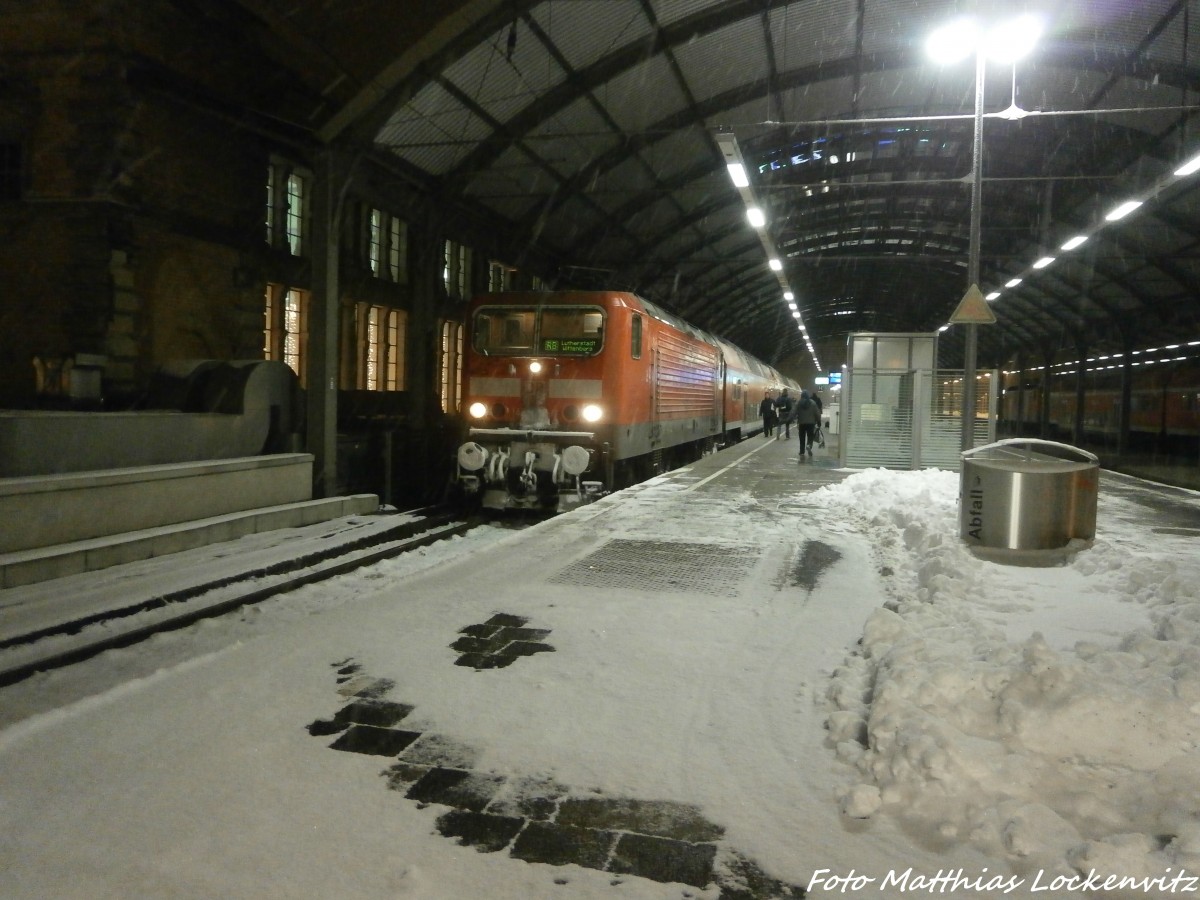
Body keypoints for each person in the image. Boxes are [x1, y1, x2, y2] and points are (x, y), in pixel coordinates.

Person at [792, 389, 821, 457]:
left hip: (801, 423)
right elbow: (817, 413)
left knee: (802, 437)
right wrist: (819, 422)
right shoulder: (813, 403)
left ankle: (802, 451)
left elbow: (793, 411)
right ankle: (809, 445)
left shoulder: (799, 403)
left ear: (802, 395)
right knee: (810, 436)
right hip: (811, 423)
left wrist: (790, 419)